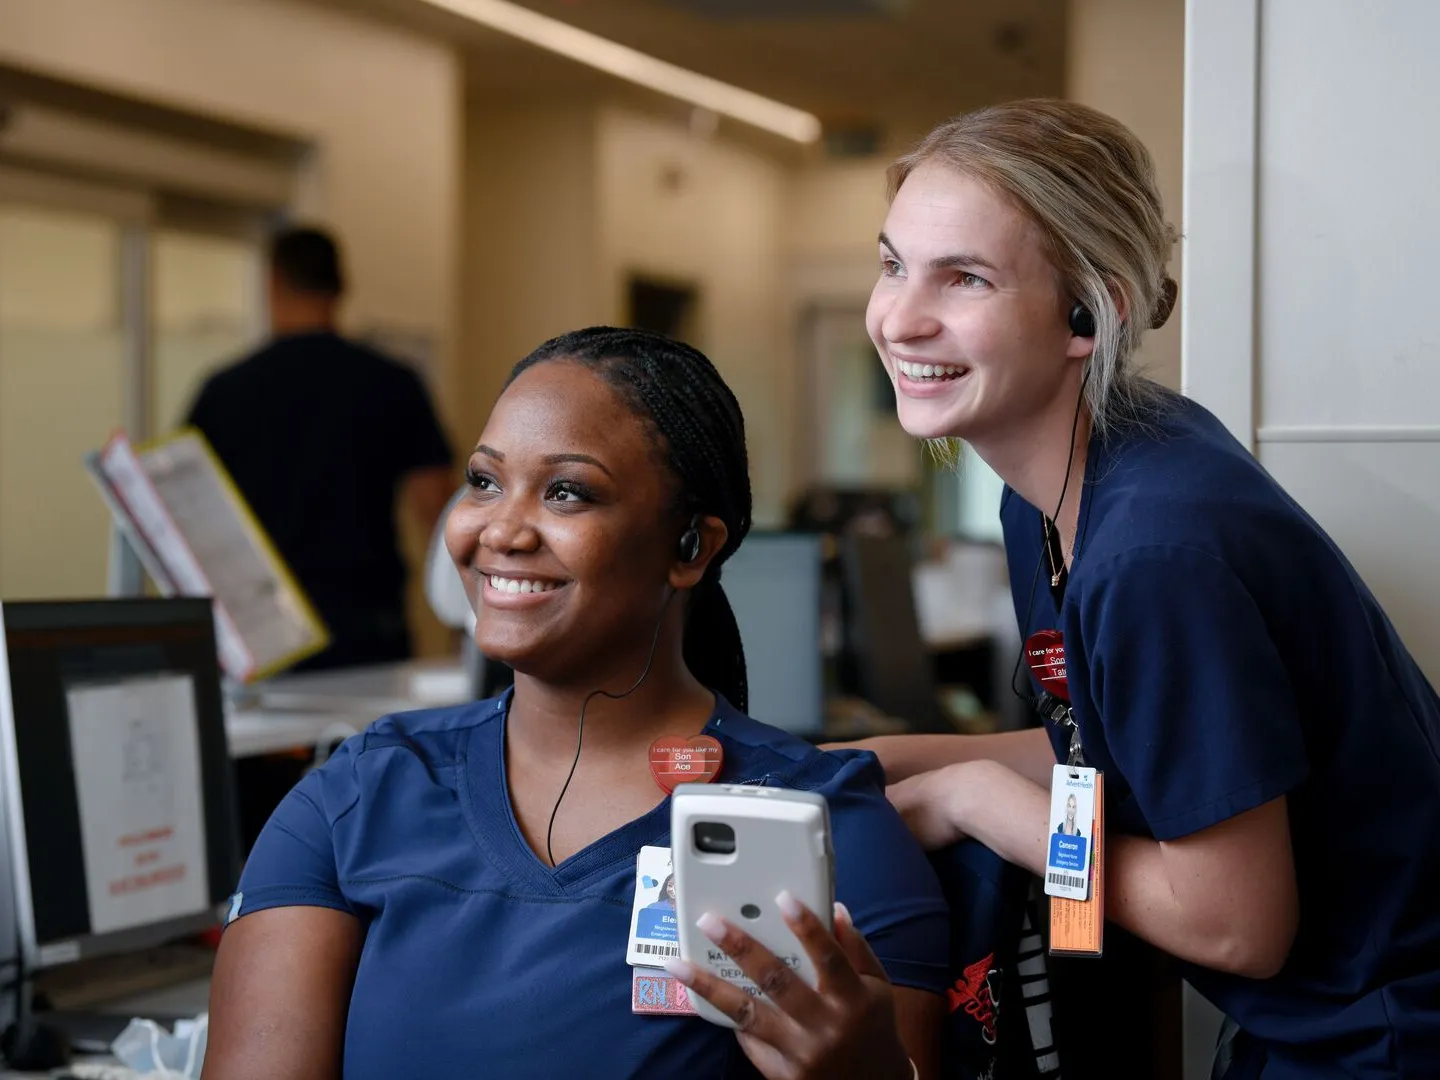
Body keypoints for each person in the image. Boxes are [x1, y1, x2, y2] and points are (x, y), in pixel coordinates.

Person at [847, 99, 1440, 1078]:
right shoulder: (1067, 482)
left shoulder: (1153, 555)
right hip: (1318, 1023)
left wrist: (976, 800)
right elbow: (1109, 749)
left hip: (1380, 1037)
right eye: (893, 263)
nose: (901, 317)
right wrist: (861, 764)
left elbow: (1238, 925)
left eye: (966, 278)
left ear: (1093, 313)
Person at [204, 327, 950, 1079]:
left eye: (567, 492)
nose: (500, 529)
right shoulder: (360, 792)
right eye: (484, 481)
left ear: (690, 547)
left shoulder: (829, 832)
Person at [185, 226, 455, 671]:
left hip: (261, 630)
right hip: (366, 625)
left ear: (272, 283)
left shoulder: (225, 391)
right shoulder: (390, 382)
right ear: (341, 286)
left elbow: (191, 520)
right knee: (369, 741)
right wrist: (464, 619)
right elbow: (436, 507)